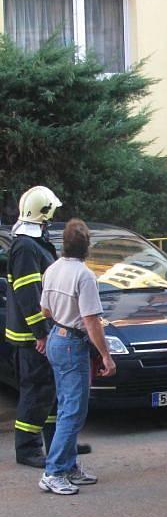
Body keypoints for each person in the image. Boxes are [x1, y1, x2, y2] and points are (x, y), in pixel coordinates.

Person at [38, 219, 116, 496]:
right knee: (74, 411)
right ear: (87, 246)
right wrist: (106, 356)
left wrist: (62, 316)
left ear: (63, 246)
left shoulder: (52, 270)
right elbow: (91, 320)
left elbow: (45, 310)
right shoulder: (84, 276)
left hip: (57, 338)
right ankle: (55, 471)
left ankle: (67, 466)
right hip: (73, 343)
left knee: (65, 408)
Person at [6, 186, 62, 468]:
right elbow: (29, 293)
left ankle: (56, 443)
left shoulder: (32, 242)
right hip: (31, 336)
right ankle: (27, 450)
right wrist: (41, 332)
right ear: (43, 213)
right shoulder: (26, 246)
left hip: (39, 332)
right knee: (36, 390)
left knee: (48, 389)